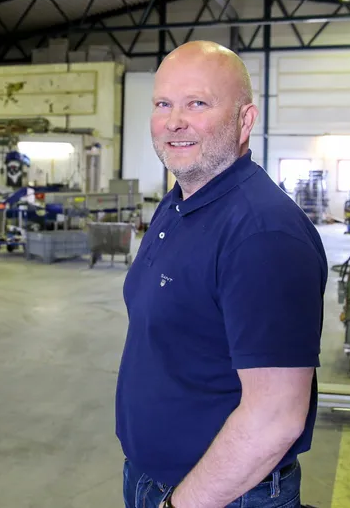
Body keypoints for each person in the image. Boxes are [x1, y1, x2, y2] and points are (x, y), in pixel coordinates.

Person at [115, 41, 328, 508]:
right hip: (153, 478)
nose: (174, 121)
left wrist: (181, 504)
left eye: (197, 103)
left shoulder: (263, 234)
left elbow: (274, 417)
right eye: (163, 104)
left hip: (222, 494)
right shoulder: (178, 204)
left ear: (245, 120)